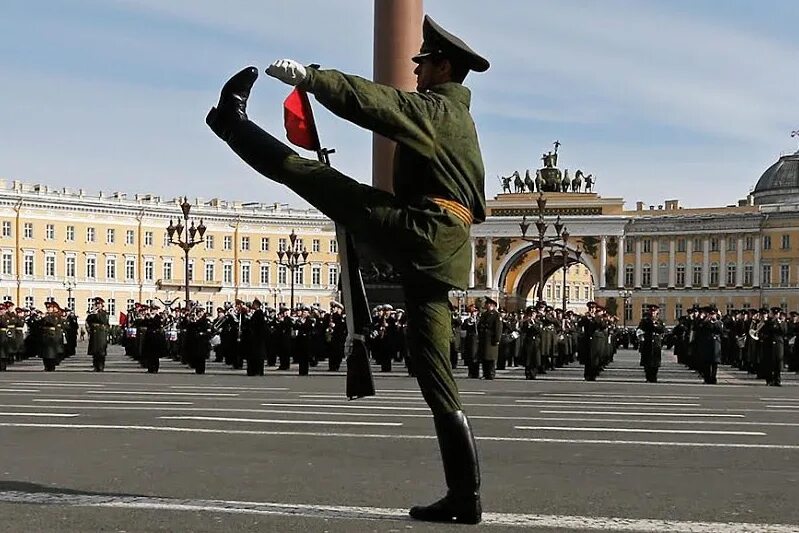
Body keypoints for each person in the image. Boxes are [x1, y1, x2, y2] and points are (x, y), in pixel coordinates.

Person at [206, 14, 488, 524]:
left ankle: (231, 124)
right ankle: (465, 496)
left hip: (423, 229)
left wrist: (312, 78)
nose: (416, 70)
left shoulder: (438, 111)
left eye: (422, 63)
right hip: (443, 249)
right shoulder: (459, 121)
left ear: (442, 67)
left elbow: (377, 104)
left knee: (314, 179)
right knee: (433, 371)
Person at [637, 304, 665, 383]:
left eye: (654, 311)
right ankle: (648, 377)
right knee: (647, 361)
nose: (653, 313)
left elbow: (662, 330)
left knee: (656, 361)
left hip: (656, 342)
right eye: (651, 311)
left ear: (657, 312)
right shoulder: (645, 320)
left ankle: (654, 376)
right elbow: (641, 329)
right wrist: (652, 325)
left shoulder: (659, 321)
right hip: (647, 341)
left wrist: (656, 326)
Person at [86, 297, 110, 371]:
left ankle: (101, 365)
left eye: (99, 304)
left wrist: (96, 314)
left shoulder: (104, 313)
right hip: (94, 334)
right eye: (96, 304)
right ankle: (95, 365)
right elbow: (88, 321)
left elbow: (103, 320)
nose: (97, 306)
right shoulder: (92, 313)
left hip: (101, 333)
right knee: (95, 351)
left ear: (101, 305)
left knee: (101, 351)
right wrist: (91, 314)